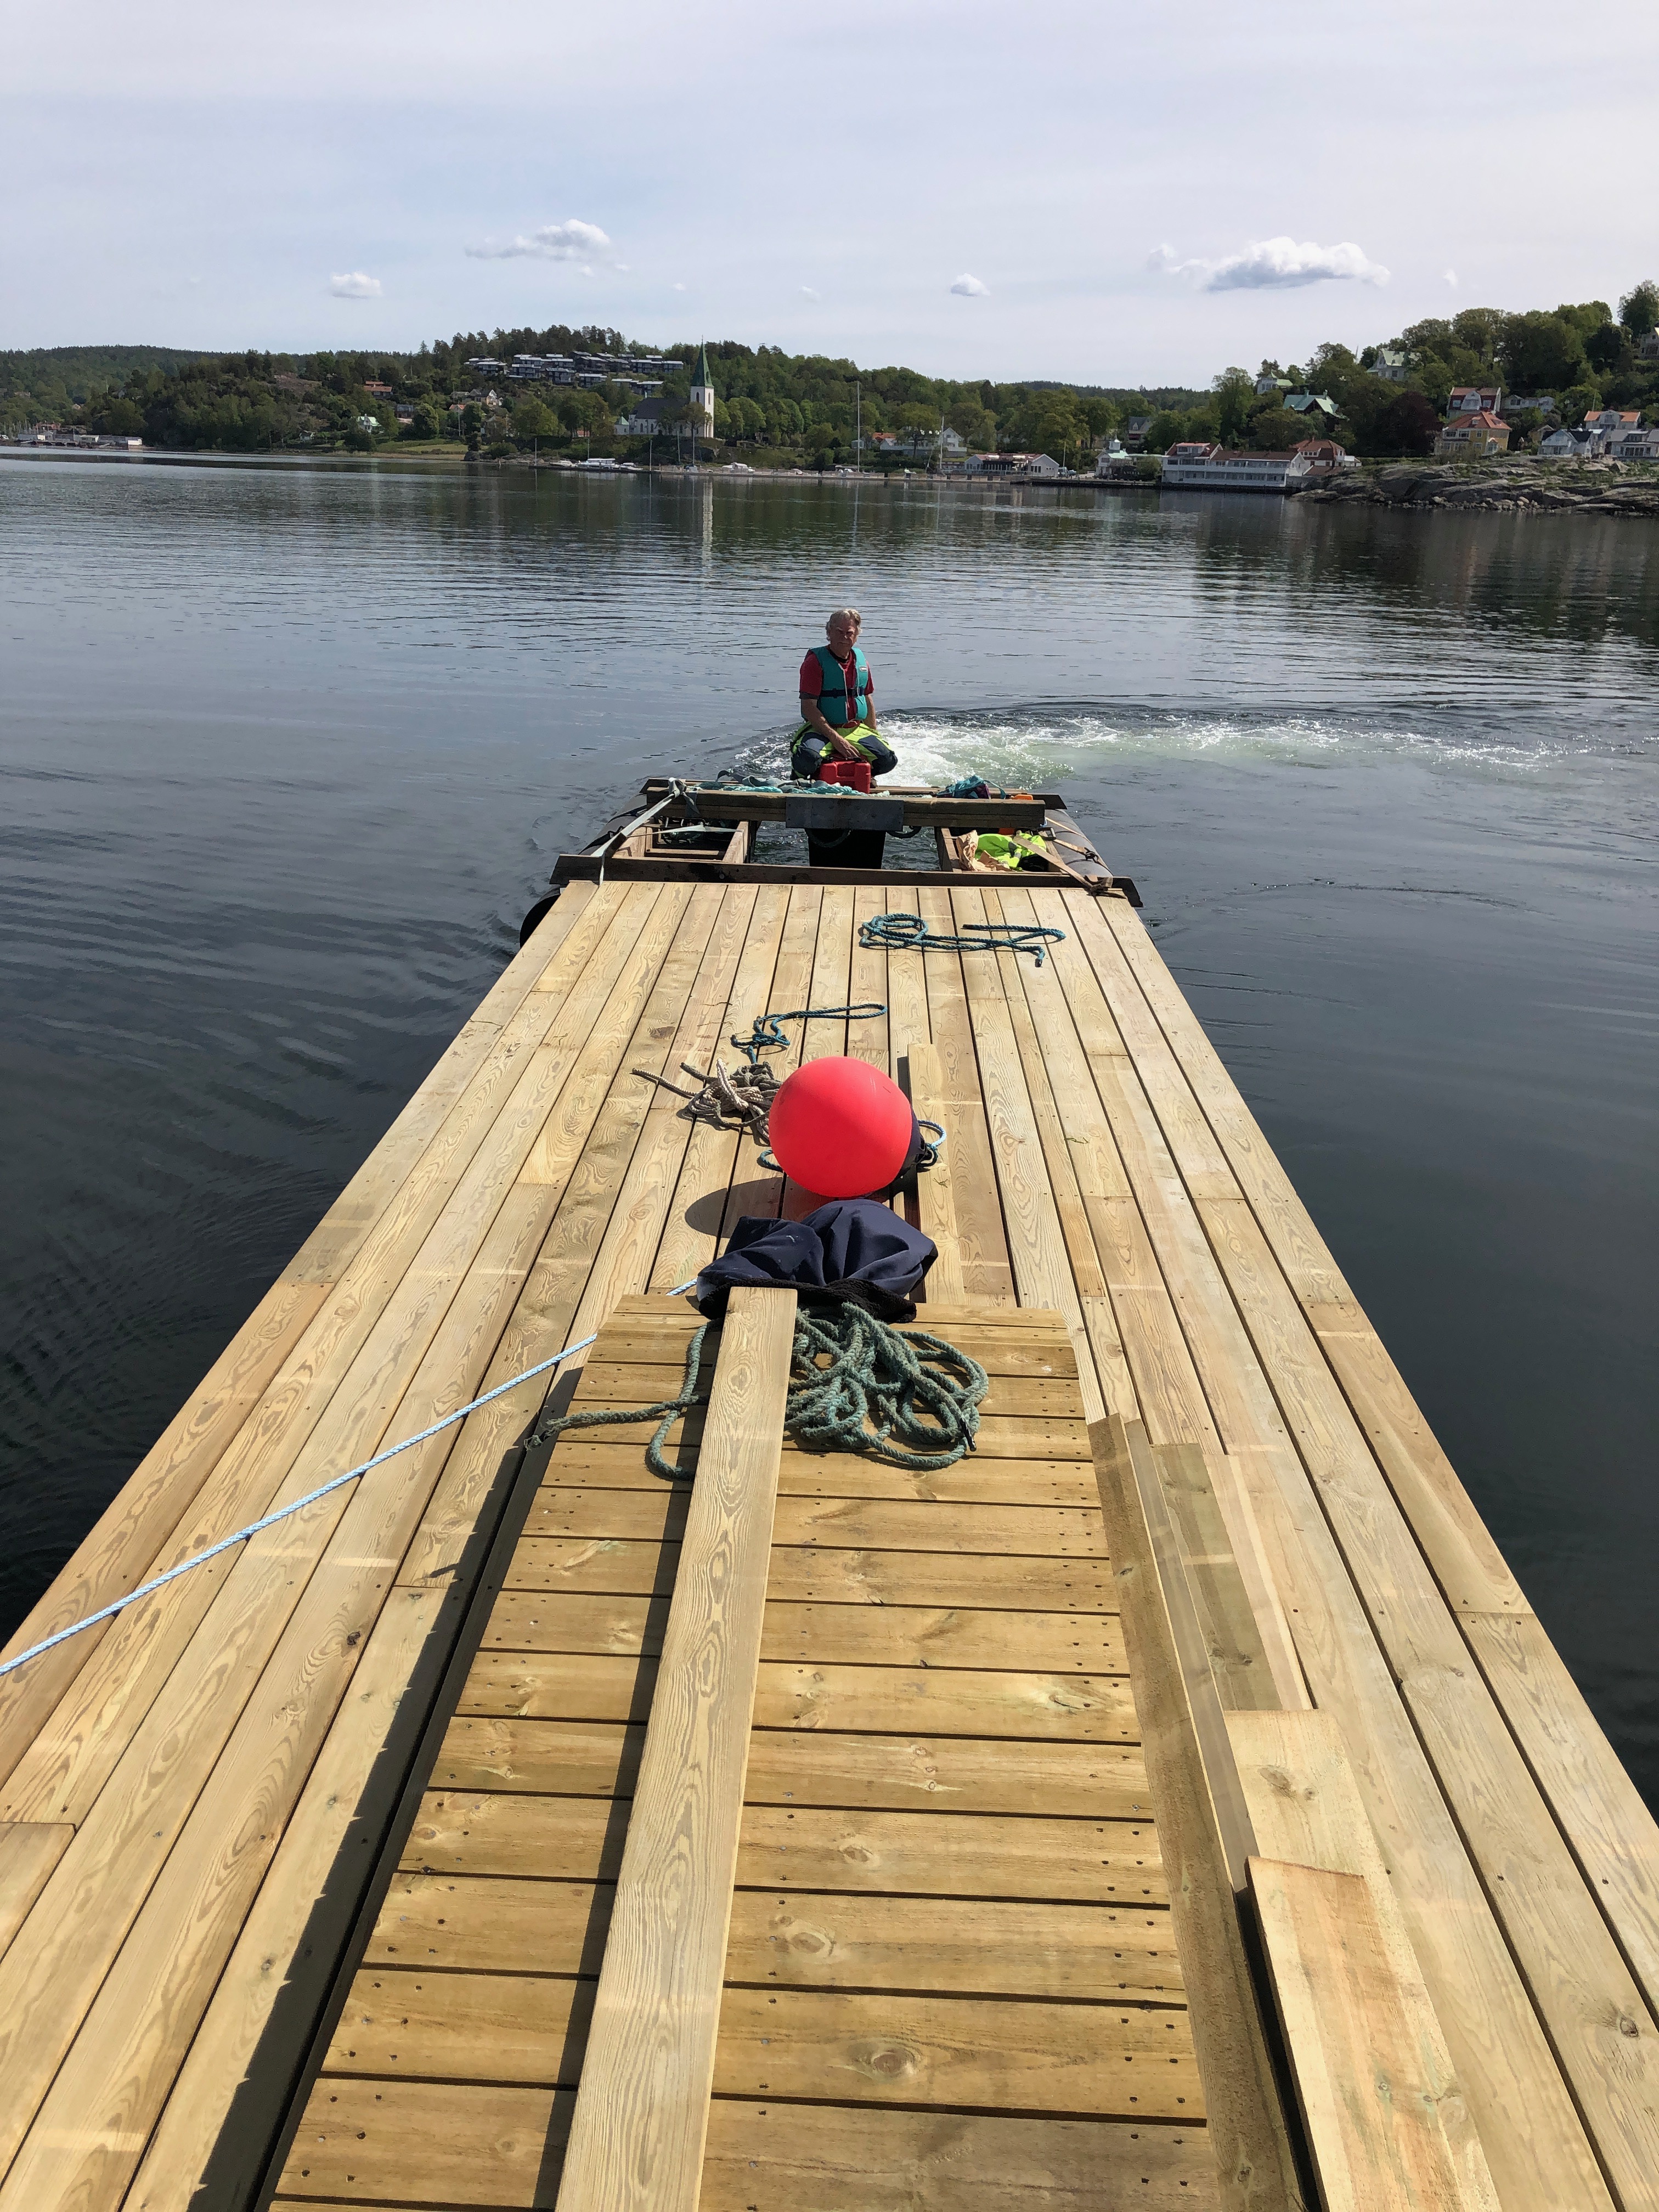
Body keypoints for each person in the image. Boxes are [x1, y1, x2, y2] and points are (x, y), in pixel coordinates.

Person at [791, 608, 899, 780]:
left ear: (856, 635)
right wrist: (836, 740)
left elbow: (867, 698)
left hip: (855, 729)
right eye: (839, 632)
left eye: (849, 633)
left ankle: (864, 775)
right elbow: (808, 707)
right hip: (821, 730)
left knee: (887, 760)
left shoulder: (861, 661)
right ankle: (806, 777)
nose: (844, 637)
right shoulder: (815, 661)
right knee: (806, 761)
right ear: (829, 632)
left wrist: (873, 733)